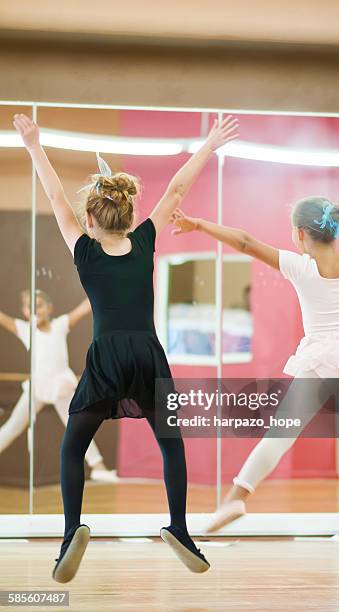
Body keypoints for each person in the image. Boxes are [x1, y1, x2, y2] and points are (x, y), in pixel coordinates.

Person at [13, 112, 238, 582]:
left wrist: (34, 145)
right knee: (171, 446)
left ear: (91, 218)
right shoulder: (144, 242)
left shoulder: (85, 250)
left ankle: (71, 531)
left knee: (73, 446)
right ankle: (179, 528)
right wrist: (209, 145)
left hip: (107, 355)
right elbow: (175, 190)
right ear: (131, 215)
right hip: (148, 355)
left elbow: (55, 197)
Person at [170, 197, 339, 532]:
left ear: (299, 234)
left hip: (319, 360)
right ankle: (233, 500)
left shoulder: (301, 267)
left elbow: (245, 242)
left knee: (278, 437)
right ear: (335, 230)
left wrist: (199, 224)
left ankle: (235, 498)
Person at [0, 289, 117, 481]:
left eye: (39, 306)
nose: (35, 311)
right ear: (24, 312)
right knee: (12, 428)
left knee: (79, 425)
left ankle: (99, 467)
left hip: (61, 386)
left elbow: (83, 308)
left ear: (49, 308)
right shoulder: (24, 329)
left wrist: (101, 286)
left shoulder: (60, 325)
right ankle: (98, 467)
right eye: (30, 308)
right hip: (38, 387)